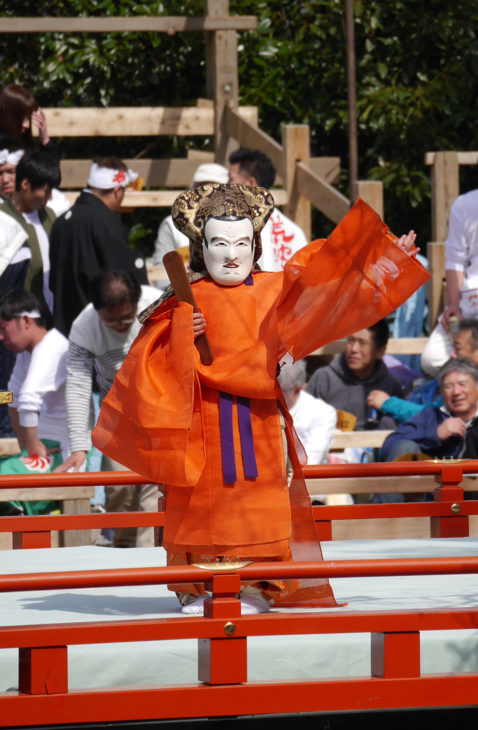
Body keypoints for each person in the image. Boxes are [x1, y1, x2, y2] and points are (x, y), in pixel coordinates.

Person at [92, 183, 428, 614]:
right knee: (201, 505)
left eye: (241, 243)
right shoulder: (182, 301)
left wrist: (385, 256)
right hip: (204, 421)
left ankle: (254, 586)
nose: (231, 254)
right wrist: (179, 333)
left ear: (255, 244)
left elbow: (332, 290)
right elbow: (145, 363)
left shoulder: (276, 290)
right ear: (200, 247)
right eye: (218, 242)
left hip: (257, 419)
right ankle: (202, 586)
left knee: (257, 502)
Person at [56, 270, 161, 548]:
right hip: (118, 419)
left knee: (155, 493)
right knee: (119, 490)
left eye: (127, 318)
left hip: (162, 414)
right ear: (96, 310)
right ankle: (121, 551)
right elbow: (78, 385)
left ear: (138, 303)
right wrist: (79, 446)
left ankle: (148, 566)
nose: (119, 326)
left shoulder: (160, 305)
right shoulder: (84, 326)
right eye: (110, 320)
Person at [49, 157, 148, 336]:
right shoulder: (105, 221)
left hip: (64, 329)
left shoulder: (61, 222)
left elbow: (54, 283)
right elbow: (123, 281)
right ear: (117, 190)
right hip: (98, 333)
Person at [0, 290, 69, 515]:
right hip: (41, 446)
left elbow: (27, 401)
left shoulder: (52, 347)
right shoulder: (28, 351)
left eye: (3, 328)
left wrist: (31, 449)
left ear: (26, 321)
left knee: (4, 474)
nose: (0, 337)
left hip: (62, 452)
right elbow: (11, 396)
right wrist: (26, 445)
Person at [306, 320, 402, 431]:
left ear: (380, 351)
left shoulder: (391, 385)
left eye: (362, 343)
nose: (354, 349)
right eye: (351, 340)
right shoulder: (324, 378)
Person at [382, 358, 478, 466]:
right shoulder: (431, 416)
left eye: (462, 384)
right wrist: (435, 435)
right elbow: (390, 445)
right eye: (449, 386)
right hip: (431, 481)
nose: (456, 392)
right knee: (405, 446)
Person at [228, 148, 308, 271]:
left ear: (250, 184)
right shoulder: (294, 233)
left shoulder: (228, 227)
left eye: (231, 179)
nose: (225, 186)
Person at [152, 162, 229, 289]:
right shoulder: (172, 224)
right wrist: (188, 279)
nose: (206, 194)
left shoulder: (239, 224)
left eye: (214, 189)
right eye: (200, 188)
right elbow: (161, 280)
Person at [277, 359, 336, 467]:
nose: (273, 396)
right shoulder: (259, 408)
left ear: (297, 390)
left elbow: (310, 460)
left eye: (279, 391)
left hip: (308, 480)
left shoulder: (323, 413)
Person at [0, 84, 57, 158]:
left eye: (29, 118)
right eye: (23, 119)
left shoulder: (25, 144)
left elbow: (50, 168)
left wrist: (45, 139)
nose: (27, 125)